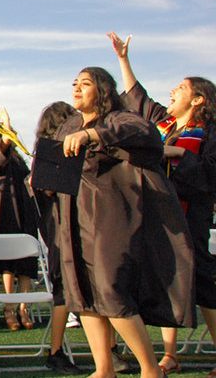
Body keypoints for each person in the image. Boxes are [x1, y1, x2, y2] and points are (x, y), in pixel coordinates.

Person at [55, 66, 195, 378]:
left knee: (111, 289)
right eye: (75, 83)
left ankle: (150, 369)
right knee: (83, 293)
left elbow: (146, 134)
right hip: (75, 217)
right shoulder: (70, 125)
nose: (76, 88)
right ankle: (103, 368)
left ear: (102, 90)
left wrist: (92, 134)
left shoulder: (119, 118)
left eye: (85, 83)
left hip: (112, 216)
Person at [109, 32, 216, 375]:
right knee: (170, 280)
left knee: (202, 283)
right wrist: (123, 60)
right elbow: (138, 99)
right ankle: (170, 354)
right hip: (159, 214)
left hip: (190, 216)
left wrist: (178, 154)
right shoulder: (164, 124)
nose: (172, 91)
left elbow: (210, 175)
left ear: (198, 99)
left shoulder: (208, 133)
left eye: (181, 88)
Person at [32, 102, 81, 375]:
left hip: (76, 231)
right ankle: (55, 350)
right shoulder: (48, 154)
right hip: (61, 233)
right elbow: (48, 189)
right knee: (63, 291)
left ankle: (110, 348)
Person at [0, 108, 39, 331]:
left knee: (26, 264)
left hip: (25, 210)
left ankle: (23, 307)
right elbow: (0, 156)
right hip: (6, 210)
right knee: (8, 263)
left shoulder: (18, 159)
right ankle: (9, 307)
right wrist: (5, 126)